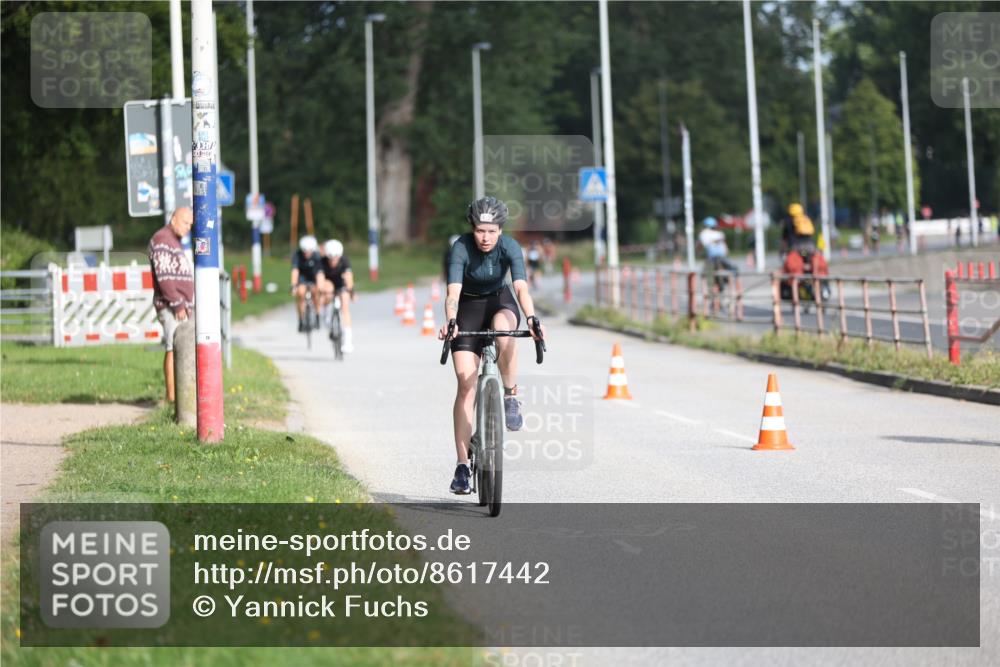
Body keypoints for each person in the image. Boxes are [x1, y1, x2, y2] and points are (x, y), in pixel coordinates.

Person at [439, 196, 546, 495]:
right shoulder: (460, 248)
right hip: (468, 308)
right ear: (473, 229)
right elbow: (453, 292)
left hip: (501, 302)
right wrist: (450, 320)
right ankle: (462, 465)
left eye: (491, 231)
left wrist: (533, 318)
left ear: (500, 230)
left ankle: (511, 394)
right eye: (479, 231)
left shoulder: (510, 247)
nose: (485, 238)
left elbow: (521, 287)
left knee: (504, 330)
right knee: (465, 384)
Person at [148, 207, 194, 402]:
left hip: (180, 306)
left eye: (190, 225)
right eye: (185, 222)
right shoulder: (162, 239)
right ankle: (172, 399)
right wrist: (177, 304)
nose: (188, 228)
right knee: (172, 348)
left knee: (178, 348)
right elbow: (164, 277)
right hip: (172, 307)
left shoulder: (173, 241)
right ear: (173, 219)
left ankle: (180, 396)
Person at [320, 239, 355, 353]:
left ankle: (348, 341)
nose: (333, 261)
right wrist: (322, 292)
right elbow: (320, 279)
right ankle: (325, 314)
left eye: (336, 258)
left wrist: (351, 291)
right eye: (331, 258)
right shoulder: (322, 262)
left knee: (345, 304)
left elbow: (349, 277)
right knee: (328, 290)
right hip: (327, 283)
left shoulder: (344, 260)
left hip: (340, 283)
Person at [290, 235, 325, 332]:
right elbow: (295, 271)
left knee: (317, 293)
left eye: (308, 251)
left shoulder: (317, 256)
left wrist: (320, 287)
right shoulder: (297, 255)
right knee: (300, 293)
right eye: (304, 251)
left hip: (314, 277)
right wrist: (293, 285)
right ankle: (301, 319)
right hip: (302, 277)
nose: (306, 254)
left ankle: (317, 315)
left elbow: (320, 274)